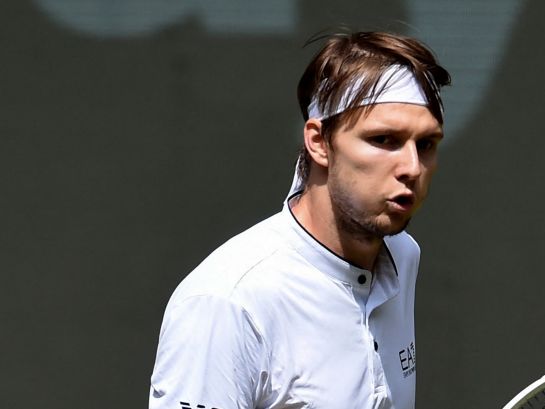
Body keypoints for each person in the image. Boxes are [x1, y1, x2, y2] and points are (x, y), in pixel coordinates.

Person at [149, 31, 451, 409]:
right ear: (319, 142)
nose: (412, 167)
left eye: (426, 144)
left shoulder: (403, 256)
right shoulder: (226, 302)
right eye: (383, 139)